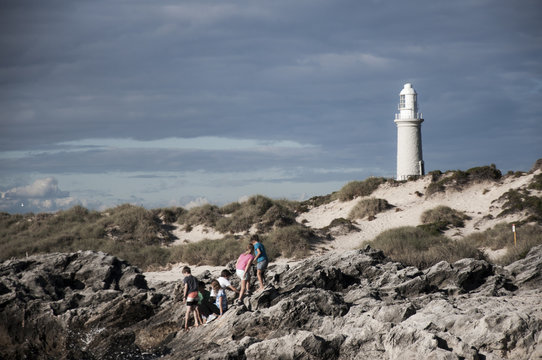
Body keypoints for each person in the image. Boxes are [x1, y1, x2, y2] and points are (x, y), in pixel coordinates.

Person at [182, 266, 201, 330]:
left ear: (186, 272)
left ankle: (186, 325)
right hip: (196, 294)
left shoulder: (186, 278)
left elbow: (186, 287)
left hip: (190, 294)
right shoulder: (195, 278)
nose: (184, 275)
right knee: (194, 309)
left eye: (184, 274)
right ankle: (196, 322)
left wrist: (184, 297)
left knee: (188, 311)